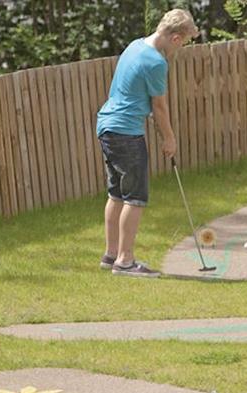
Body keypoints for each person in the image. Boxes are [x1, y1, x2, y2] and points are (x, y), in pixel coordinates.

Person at [96, 9, 198, 278]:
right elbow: (160, 107)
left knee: (116, 193)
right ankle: (125, 261)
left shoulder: (135, 45)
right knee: (135, 197)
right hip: (126, 132)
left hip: (107, 127)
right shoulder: (156, 62)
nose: (181, 48)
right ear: (175, 38)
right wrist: (169, 138)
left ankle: (110, 255)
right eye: (184, 42)